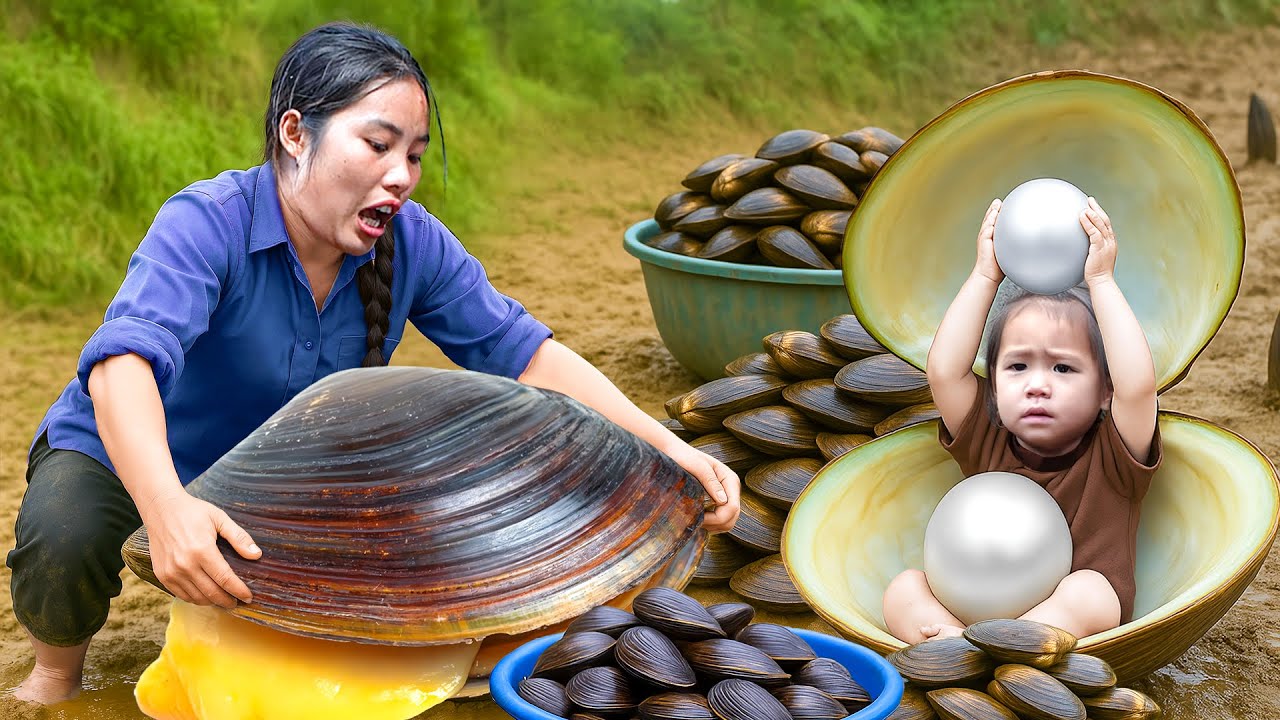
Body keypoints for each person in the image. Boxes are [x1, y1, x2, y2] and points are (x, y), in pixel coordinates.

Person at [7, 22, 741, 705]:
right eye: (377, 144)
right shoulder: (207, 222)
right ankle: (52, 676)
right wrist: (166, 508)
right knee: (62, 534)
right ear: (295, 134)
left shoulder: (413, 242)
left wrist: (671, 448)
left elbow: (528, 356)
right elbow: (122, 364)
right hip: (130, 453)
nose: (401, 175)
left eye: (414, 154)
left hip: (284, 478)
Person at [881, 196, 1160, 644]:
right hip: (971, 607)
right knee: (902, 590)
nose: (1038, 385)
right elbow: (944, 371)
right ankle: (960, 645)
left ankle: (998, 646)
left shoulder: (1115, 451)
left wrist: (1102, 280)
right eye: (1017, 367)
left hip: (1066, 626)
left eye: (1063, 368)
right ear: (992, 385)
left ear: (1105, 391)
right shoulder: (986, 437)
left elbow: (1138, 387)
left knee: (1089, 592)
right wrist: (985, 274)